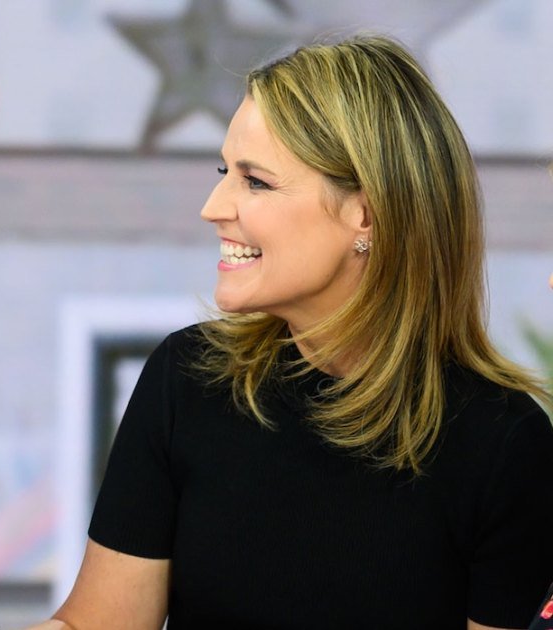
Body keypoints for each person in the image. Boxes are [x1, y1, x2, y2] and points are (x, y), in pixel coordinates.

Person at [30, 35, 553, 629]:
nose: (213, 206)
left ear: (367, 214)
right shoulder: (188, 378)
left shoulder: (505, 445)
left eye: (255, 181)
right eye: (225, 172)